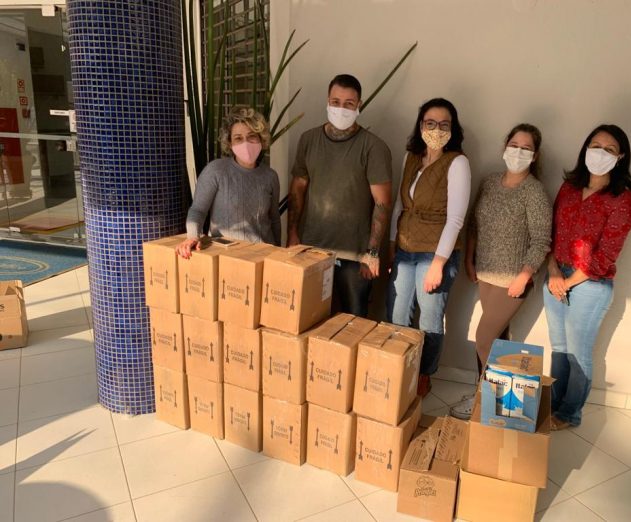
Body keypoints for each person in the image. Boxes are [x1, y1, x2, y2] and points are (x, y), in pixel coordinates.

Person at [449, 123, 552, 419]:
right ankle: (500, 406)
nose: (518, 152)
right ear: (505, 146)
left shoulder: (534, 192)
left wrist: (524, 276)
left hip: (513, 280)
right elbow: (473, 223)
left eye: (526, 148)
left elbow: (542, 240)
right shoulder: (490, 182)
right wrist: (469, 259)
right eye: (514, 145)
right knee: (498, 343)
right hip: (485, 274)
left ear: (535, 155)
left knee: (483, 339)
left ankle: (485, 399)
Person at [544, 124, 631, 430]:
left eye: (609, 150)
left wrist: (568, 282)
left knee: (577, 353)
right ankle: (553, 405)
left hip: (590, 284)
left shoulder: (622, 200)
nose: (600, 153)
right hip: (555, 275)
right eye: (595, 146)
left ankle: (569, 413)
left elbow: (607, 254)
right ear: (585, 148)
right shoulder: (569, 188)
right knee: (559, 348)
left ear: (620, 157)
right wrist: (553, 271)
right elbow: (552, 233)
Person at [287, 74, 392, 318]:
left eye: (348, 103)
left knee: (353, 321)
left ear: (359, 105)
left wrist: (372, 253)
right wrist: (292, 234)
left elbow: (383, 202)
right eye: (335, 102)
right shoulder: (308, 140)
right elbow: (297, 189)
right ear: (327, 101)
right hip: (312, 250)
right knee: (311, 318)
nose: (341, 109)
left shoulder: (373, 147)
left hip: (355, 257)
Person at [386, 98, 471, 397]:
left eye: (444, 124)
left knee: (429, 319)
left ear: (453, 129)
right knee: (397, 315)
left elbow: (456, 218)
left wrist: (438, 264)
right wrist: (392, 244)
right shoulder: (411, 157)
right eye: (430, 123)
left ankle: (423, 375)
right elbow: (400, 205)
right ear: (421, 125)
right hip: (405, 248)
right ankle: (399, 371)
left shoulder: (457, 162)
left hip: (436, 253)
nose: (437, 130)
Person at [177, 106, 281, 258]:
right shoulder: (215, 171)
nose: (246, 142)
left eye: (252, 136)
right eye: (238, 138)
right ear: (230, 143)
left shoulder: (270, 176)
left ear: (261, 138)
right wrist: (192, 236)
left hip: (264, 255)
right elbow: (198, 210)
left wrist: (279, 253)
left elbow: (274, 219)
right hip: (227, 257)